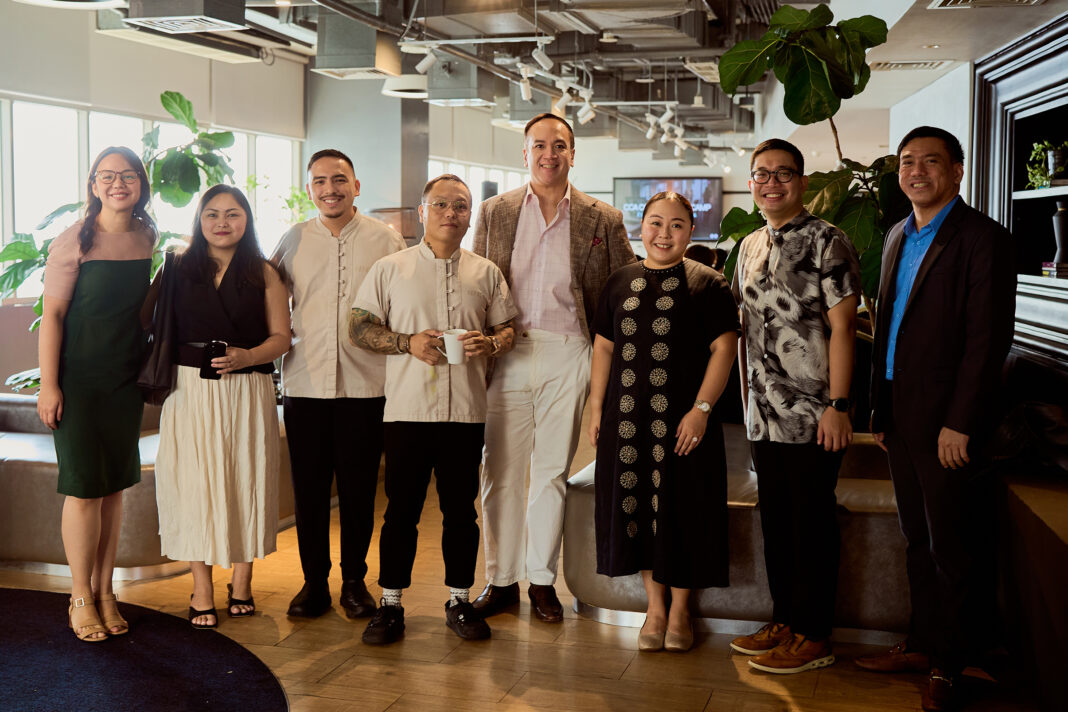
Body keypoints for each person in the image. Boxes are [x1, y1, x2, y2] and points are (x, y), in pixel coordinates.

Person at [858, 126, 1016, 712]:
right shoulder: (897, 234)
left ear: (957, 171)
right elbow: (887, 327)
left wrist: (961, 421)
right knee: (917, 540)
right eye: (907, 162)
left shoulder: (983, 238)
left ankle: (951, 663)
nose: (916, 171)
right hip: (899, 414)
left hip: (948, 423)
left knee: (953, 545)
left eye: (930, 161)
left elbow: (987, 339)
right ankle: (923, 643)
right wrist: (879, 410)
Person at [473, 113, 635, 622]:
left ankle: (541, 582)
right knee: (499, 471)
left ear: (572, 154)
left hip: (570, 351)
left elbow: (624, 290)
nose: (549, 154)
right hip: (507, 351)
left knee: (551, 473)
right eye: (540, 145)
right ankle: (501, 581)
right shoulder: (495, 211)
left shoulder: (603, 218)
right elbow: (475, 283)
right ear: (525, 153)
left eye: (559, 145)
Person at [349, 174, 518, 644]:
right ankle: (390, 604)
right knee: (400, 511)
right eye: (440, 204)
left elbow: (508, 327)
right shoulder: (391, 268)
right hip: (407, 411)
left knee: (461, 512)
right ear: (422, 212)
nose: (450, 213)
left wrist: (491, 343)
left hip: (466, 411)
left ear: (469, 215)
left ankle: (459, 601)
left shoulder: (485, 272)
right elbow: (358, 327)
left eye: (460, 206)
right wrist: (407, 343)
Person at [730, 138, 860, 673]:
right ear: (751, 183)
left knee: (811, 525)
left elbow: (844, 328)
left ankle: (815, 635)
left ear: (803, 182)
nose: (772, 183)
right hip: (762, 413)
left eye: (783, 173)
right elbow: (742, 327)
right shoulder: (749, 245)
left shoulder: (828, 240)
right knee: (778, 524)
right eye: (762, 174)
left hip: (815, 413)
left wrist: (839, 405)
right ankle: (785, 620)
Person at [588, 192, 738, 652]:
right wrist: (596, 408)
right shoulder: (619, 281)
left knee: (685, 509)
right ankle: (654, 608)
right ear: (642, 227)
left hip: (685, 424)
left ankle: (681, 611)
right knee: (637, 511)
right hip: (627, 422)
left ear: (691, 230)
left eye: (676, 225)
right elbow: (604, 347)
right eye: (655, 222)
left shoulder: (709, 283)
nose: (664, 234)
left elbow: (725, 348)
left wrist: (702, 410)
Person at [271, 149, 406, 619]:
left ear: (356, 185)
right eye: (320, 181)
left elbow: (402, 305)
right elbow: (268, 301)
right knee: (308, 492)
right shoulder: (292, 240)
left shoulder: (386, 240)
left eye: (339, 179)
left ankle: (353, 582)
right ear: (310, 189)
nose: (330, 189)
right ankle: (313, 584)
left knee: (358, 492)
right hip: (304, 384)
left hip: (366, 387)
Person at [152, 185, 290, 628]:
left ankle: (243, 581)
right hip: (190, 389)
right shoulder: (175, 266)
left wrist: (248, 356)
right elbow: (147, 323)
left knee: (245, 476)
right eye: (212, 214)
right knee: (194, 483)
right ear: (199, 220)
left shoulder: (264, 272)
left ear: (247, 220)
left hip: (247, 388)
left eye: (233, 214)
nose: (222, 223)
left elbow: (282, 338)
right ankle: (201, 588)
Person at [38, 146, 157, 641]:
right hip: (79, 380)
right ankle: (80, 597)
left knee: (113, 488)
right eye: (106, 176)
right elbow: (52, 316)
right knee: (84, 488)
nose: (117, 183)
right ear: (93, 185)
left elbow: (141, 311)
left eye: (127, 175)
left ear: (141, 185)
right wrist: (49, 385)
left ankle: (107, 592)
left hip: (124, 379)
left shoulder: (147, 235)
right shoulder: (74, 240)